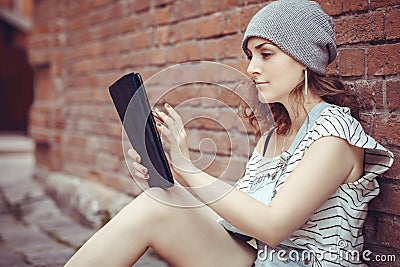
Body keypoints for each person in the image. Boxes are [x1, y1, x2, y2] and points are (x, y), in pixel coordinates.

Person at [65, 1, 394, 266]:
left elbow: (272, 226)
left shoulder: (334, 134)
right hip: (257, 259)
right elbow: (237, 221)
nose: (252, 68)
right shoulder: (273, 137)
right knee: (159, 201)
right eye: (251, 57)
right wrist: (174, 174)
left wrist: (189, 168)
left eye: (266, 54)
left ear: (305, 60)